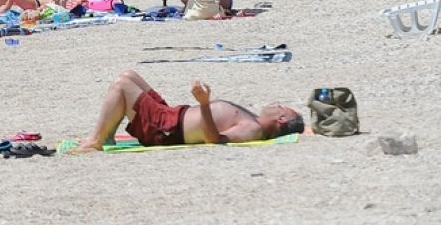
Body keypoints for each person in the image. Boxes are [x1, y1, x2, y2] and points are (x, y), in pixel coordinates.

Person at [73, 70, 304, 153]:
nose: (278, 104)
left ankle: (97, 140)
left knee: (122, 86)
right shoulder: (253, 121)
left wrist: (204, 103)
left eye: (283, 107)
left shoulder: (253, 129)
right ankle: (107, 135)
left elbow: (215, 140)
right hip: (172, 116)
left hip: (166, 129)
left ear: (282, 119)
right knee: (129, 76)